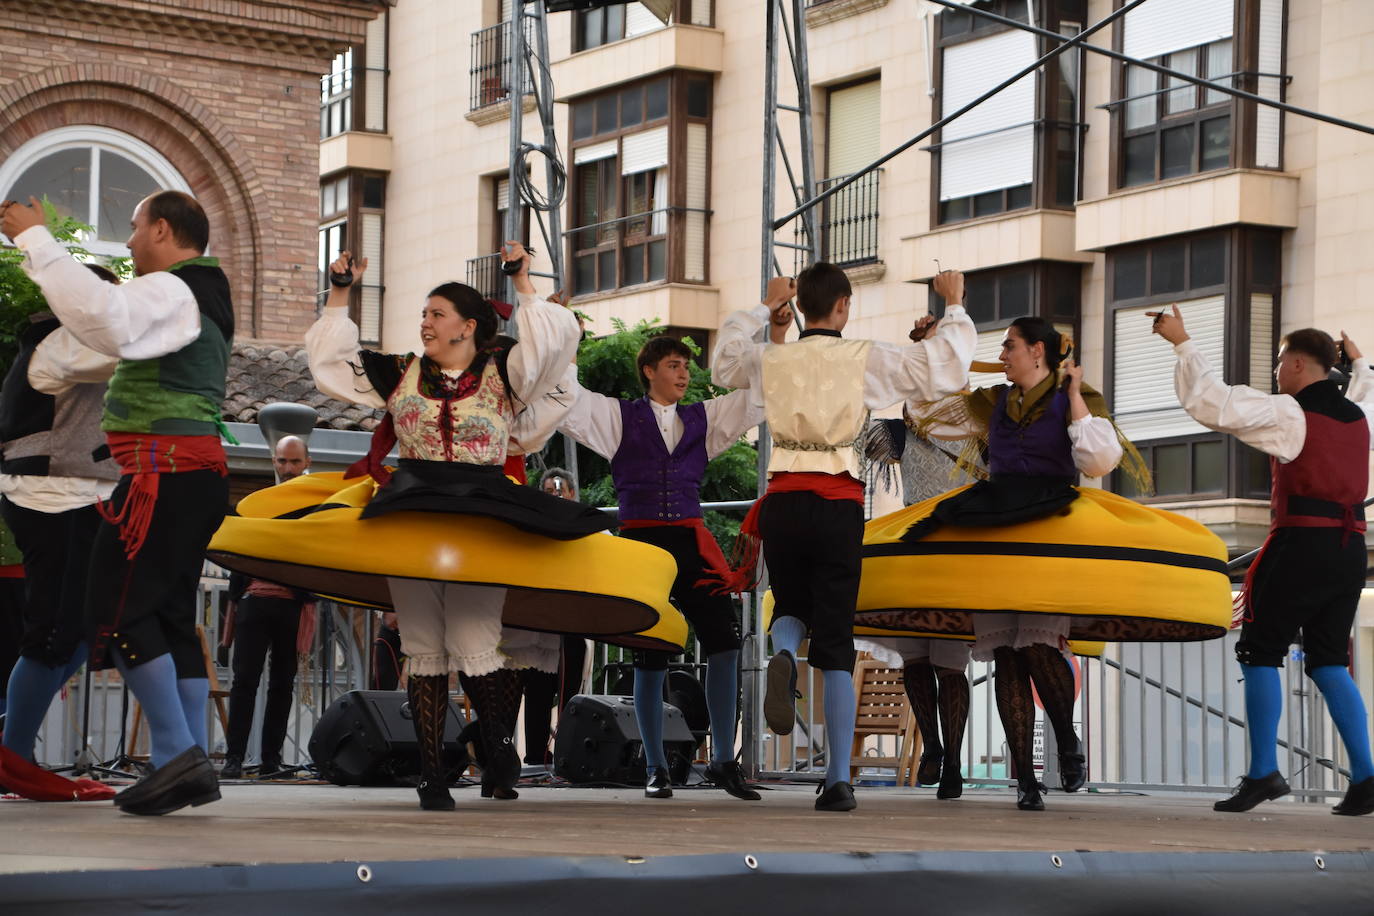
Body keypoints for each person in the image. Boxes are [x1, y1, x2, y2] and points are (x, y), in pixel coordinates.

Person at [302, 243, 612, 810]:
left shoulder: (505, 372)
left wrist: (523, 283)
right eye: (423, 314)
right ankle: (432, 775)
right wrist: (341, 290)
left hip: (481, 513)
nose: (425, 322)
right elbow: (329, 368)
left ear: (468, 327)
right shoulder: (399, 372)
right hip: (413, 511)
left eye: (436, 314)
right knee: (423, 646)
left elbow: (553, 347)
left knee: (473, 640)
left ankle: (496, 753)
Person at [711, 263, 976, 811]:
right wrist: (953, 304)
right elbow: (944, 367)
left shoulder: (773, 356)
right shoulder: (865, 358)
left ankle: (783, 651)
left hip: (781, 499)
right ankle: (836, 782)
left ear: (800, 305)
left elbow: (724, 361)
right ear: (844, 306)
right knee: (834, 639)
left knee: (789, 603)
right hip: (837, 502)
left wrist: (764, 306)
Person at [2, 192, 233, 816]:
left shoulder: (174, 290)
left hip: (162, 474)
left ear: (161, 228)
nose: (128, 244)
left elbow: (104, 319)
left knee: (115, 608)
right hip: (180, 474)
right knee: (165, 616)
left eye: (133, 230)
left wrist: (37, 242)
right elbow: (109, 324)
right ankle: (187, 761)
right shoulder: (199, 293)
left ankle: (176, 757)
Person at [895, 306, 1132, 811]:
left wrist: (1072, 397)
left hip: (1047, 522)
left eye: (1009, 346)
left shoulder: (1077, 398)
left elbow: (1100, 460)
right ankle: (1027, 779)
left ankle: (1066, 739)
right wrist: (928, 347)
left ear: (1036, 351)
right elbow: (929, 410)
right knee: (1005, 652)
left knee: (1037, 647)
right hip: (996, 521)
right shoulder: (994, 400)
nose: (1001, 355)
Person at [1152, 308, 1374, 817]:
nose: (1276, 371)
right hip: (1350, 550)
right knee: (1328, 661)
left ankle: (1262, 773)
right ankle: (1365, 777)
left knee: (1258, 651)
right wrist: (1360, 366)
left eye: (1279, 361)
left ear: (1297, 363)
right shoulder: (1358, 416)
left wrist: (1182, 342)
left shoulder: (1289, 412)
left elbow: (1216, 403)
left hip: (1299, 544)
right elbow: (1365, 392)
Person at [557, 332, 780, 800]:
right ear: (650, 370)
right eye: (675, 365)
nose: (684, 375)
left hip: (690, 541)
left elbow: (756, 397)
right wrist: (564, 338)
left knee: (725, 639)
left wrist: (773, 333)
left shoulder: (703, 418)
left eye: (685, 367)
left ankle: (722, 760)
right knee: (650, 652)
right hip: (642, 545)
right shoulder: (618, 416)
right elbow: (568, 398)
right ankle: (655, 766)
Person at [0, 266, 121, 802]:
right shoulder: (58, 338)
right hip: (48, 490)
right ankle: (14, 760)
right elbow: (134, 347)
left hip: (80, 489)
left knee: (80, 633)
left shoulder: (75, 338)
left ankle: (10, 749)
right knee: (53, 634)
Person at [857, 413, 979, 799]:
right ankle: (933, 744)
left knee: (950, 663)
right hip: (916, 550)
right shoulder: (900, 430)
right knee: (916, 658)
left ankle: (953, 761)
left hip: (960, 554)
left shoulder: (982, 423)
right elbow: (859, 446)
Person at [219, 436, 317, 779]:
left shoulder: (315, 506)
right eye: (281, 462)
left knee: (281, 684)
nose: (287, 469)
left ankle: (270, 760)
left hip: (293, 604)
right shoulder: (255, 503)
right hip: (255, 600)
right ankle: (234, 758)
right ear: (273, 462)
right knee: (244, 682)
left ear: (307, 463)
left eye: (293, 462)